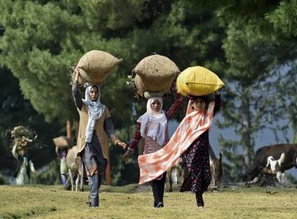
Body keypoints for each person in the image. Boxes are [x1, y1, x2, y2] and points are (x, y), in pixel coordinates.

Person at [138, 89, 221, 209]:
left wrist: (217, 93)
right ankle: (199, 203)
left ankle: (196, 191)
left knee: (207, 177)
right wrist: (181, 154)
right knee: (196, 175)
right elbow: (182, 138)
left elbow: (216, 106)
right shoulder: (188, 119)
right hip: (192, 152)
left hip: (203, 152)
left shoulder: (206, 117)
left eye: (202, 102)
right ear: (192, 104)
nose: (199, 104)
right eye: (196, 102)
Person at [72, 69, 127, 207]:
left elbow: (109, 128)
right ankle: (95, 206)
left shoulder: (104, 109)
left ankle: (91, 198)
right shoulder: (82, 106)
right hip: (87, 145)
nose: (94, 94)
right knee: (93, 171)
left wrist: (117, 140)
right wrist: (76, 78)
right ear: (88, 92)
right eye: (91, 92)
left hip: (101, 146)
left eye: (96, 92)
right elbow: (75, 94)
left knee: (99, 175)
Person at [124, 84, 183, 207]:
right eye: (153, 104)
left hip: (163, 150)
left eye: (158, 103)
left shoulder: (165, 116)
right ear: (149, 105)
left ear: (161, 104)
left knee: (160, 176)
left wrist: (174, 88)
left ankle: (159, 201)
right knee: (153, 177)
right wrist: (130, 150)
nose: (156, 106)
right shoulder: (144, 119)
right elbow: (137, 136)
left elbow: (178, 103)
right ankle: (157, 199)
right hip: (150, 151)